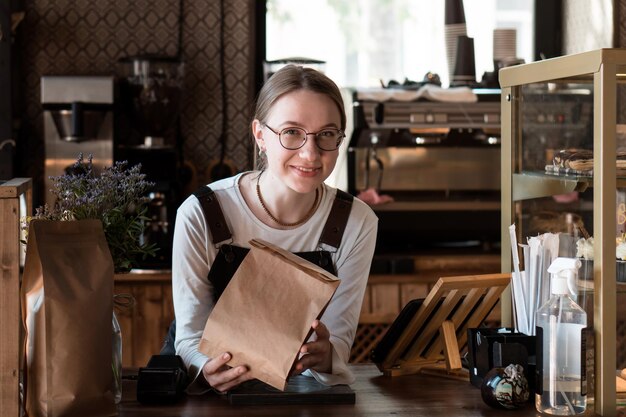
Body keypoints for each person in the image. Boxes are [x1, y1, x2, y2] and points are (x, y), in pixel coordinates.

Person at [172, 64, 378, 394]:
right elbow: (189, 338)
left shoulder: (356, 222)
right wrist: (205, 368)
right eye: (292, 132)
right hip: (208, 395)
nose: (311, 154)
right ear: (260, 135)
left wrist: (325, 356)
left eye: (326, 134)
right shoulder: (203, 213)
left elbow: (338, 342)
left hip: (302, 393)